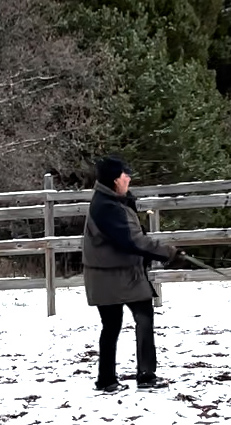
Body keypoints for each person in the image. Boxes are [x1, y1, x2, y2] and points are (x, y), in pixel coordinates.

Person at [82, 155, 183, 393]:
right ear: (114, 179)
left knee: (126, 322)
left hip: (121, 274)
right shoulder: (107, 206)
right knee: (125, 322)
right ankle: (124, 378)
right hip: (111, 276)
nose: (128, 178)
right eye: (124, 174)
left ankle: (117, 378)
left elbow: (131, 239)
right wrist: (168, 253)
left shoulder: (115, 201)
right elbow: (132, 240)